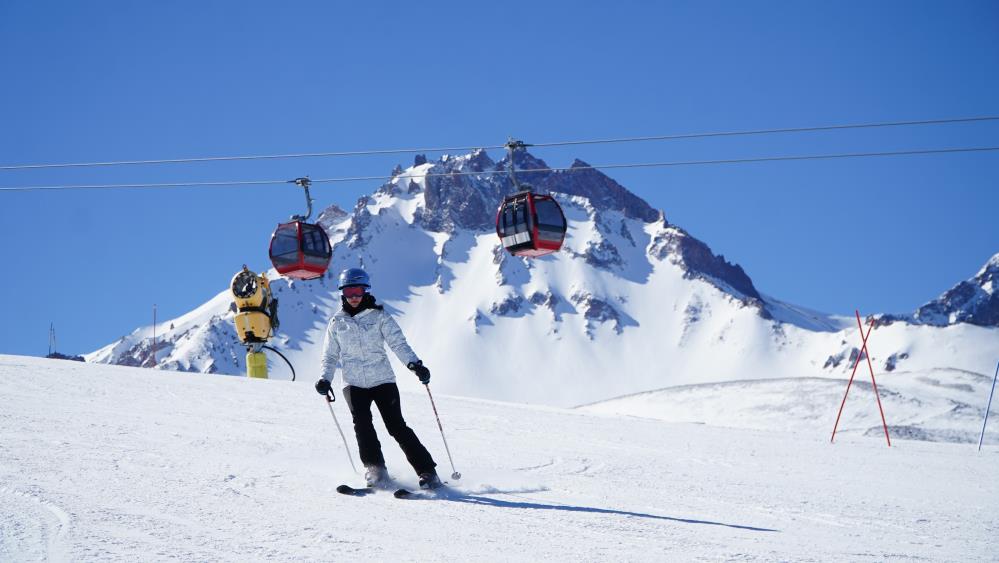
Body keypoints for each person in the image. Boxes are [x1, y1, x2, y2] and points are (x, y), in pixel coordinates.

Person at [314, 267, 441, 489]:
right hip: (353, 384)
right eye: (349, 292)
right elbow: (330, 355)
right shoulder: (337, 323)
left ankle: (427, 472)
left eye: (358, 291)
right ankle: (375, 470)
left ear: (365, 291)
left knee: (396, 426)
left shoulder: (379, 316)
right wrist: (325, 378)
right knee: (362, 426)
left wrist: (415, 365)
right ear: (342, 294)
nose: (354, 297)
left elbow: (398, 344)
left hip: (382, 380)